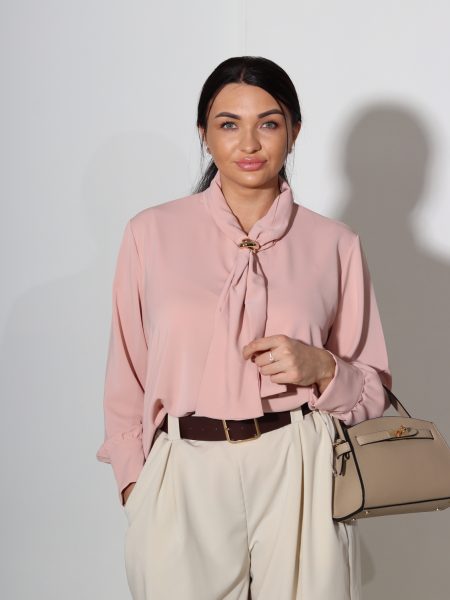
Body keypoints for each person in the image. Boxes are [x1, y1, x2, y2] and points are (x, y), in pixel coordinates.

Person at [96, 56, 392, 600]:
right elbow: (126, 375)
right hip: (184, 468)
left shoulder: (335, 243)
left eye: (269, 123)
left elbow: (373, 391)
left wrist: (323, 367)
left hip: (299, 463)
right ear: (203, 134)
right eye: (229, 124)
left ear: (294, 131)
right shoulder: (149, 234)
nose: (249, 143)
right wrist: (137, 486)